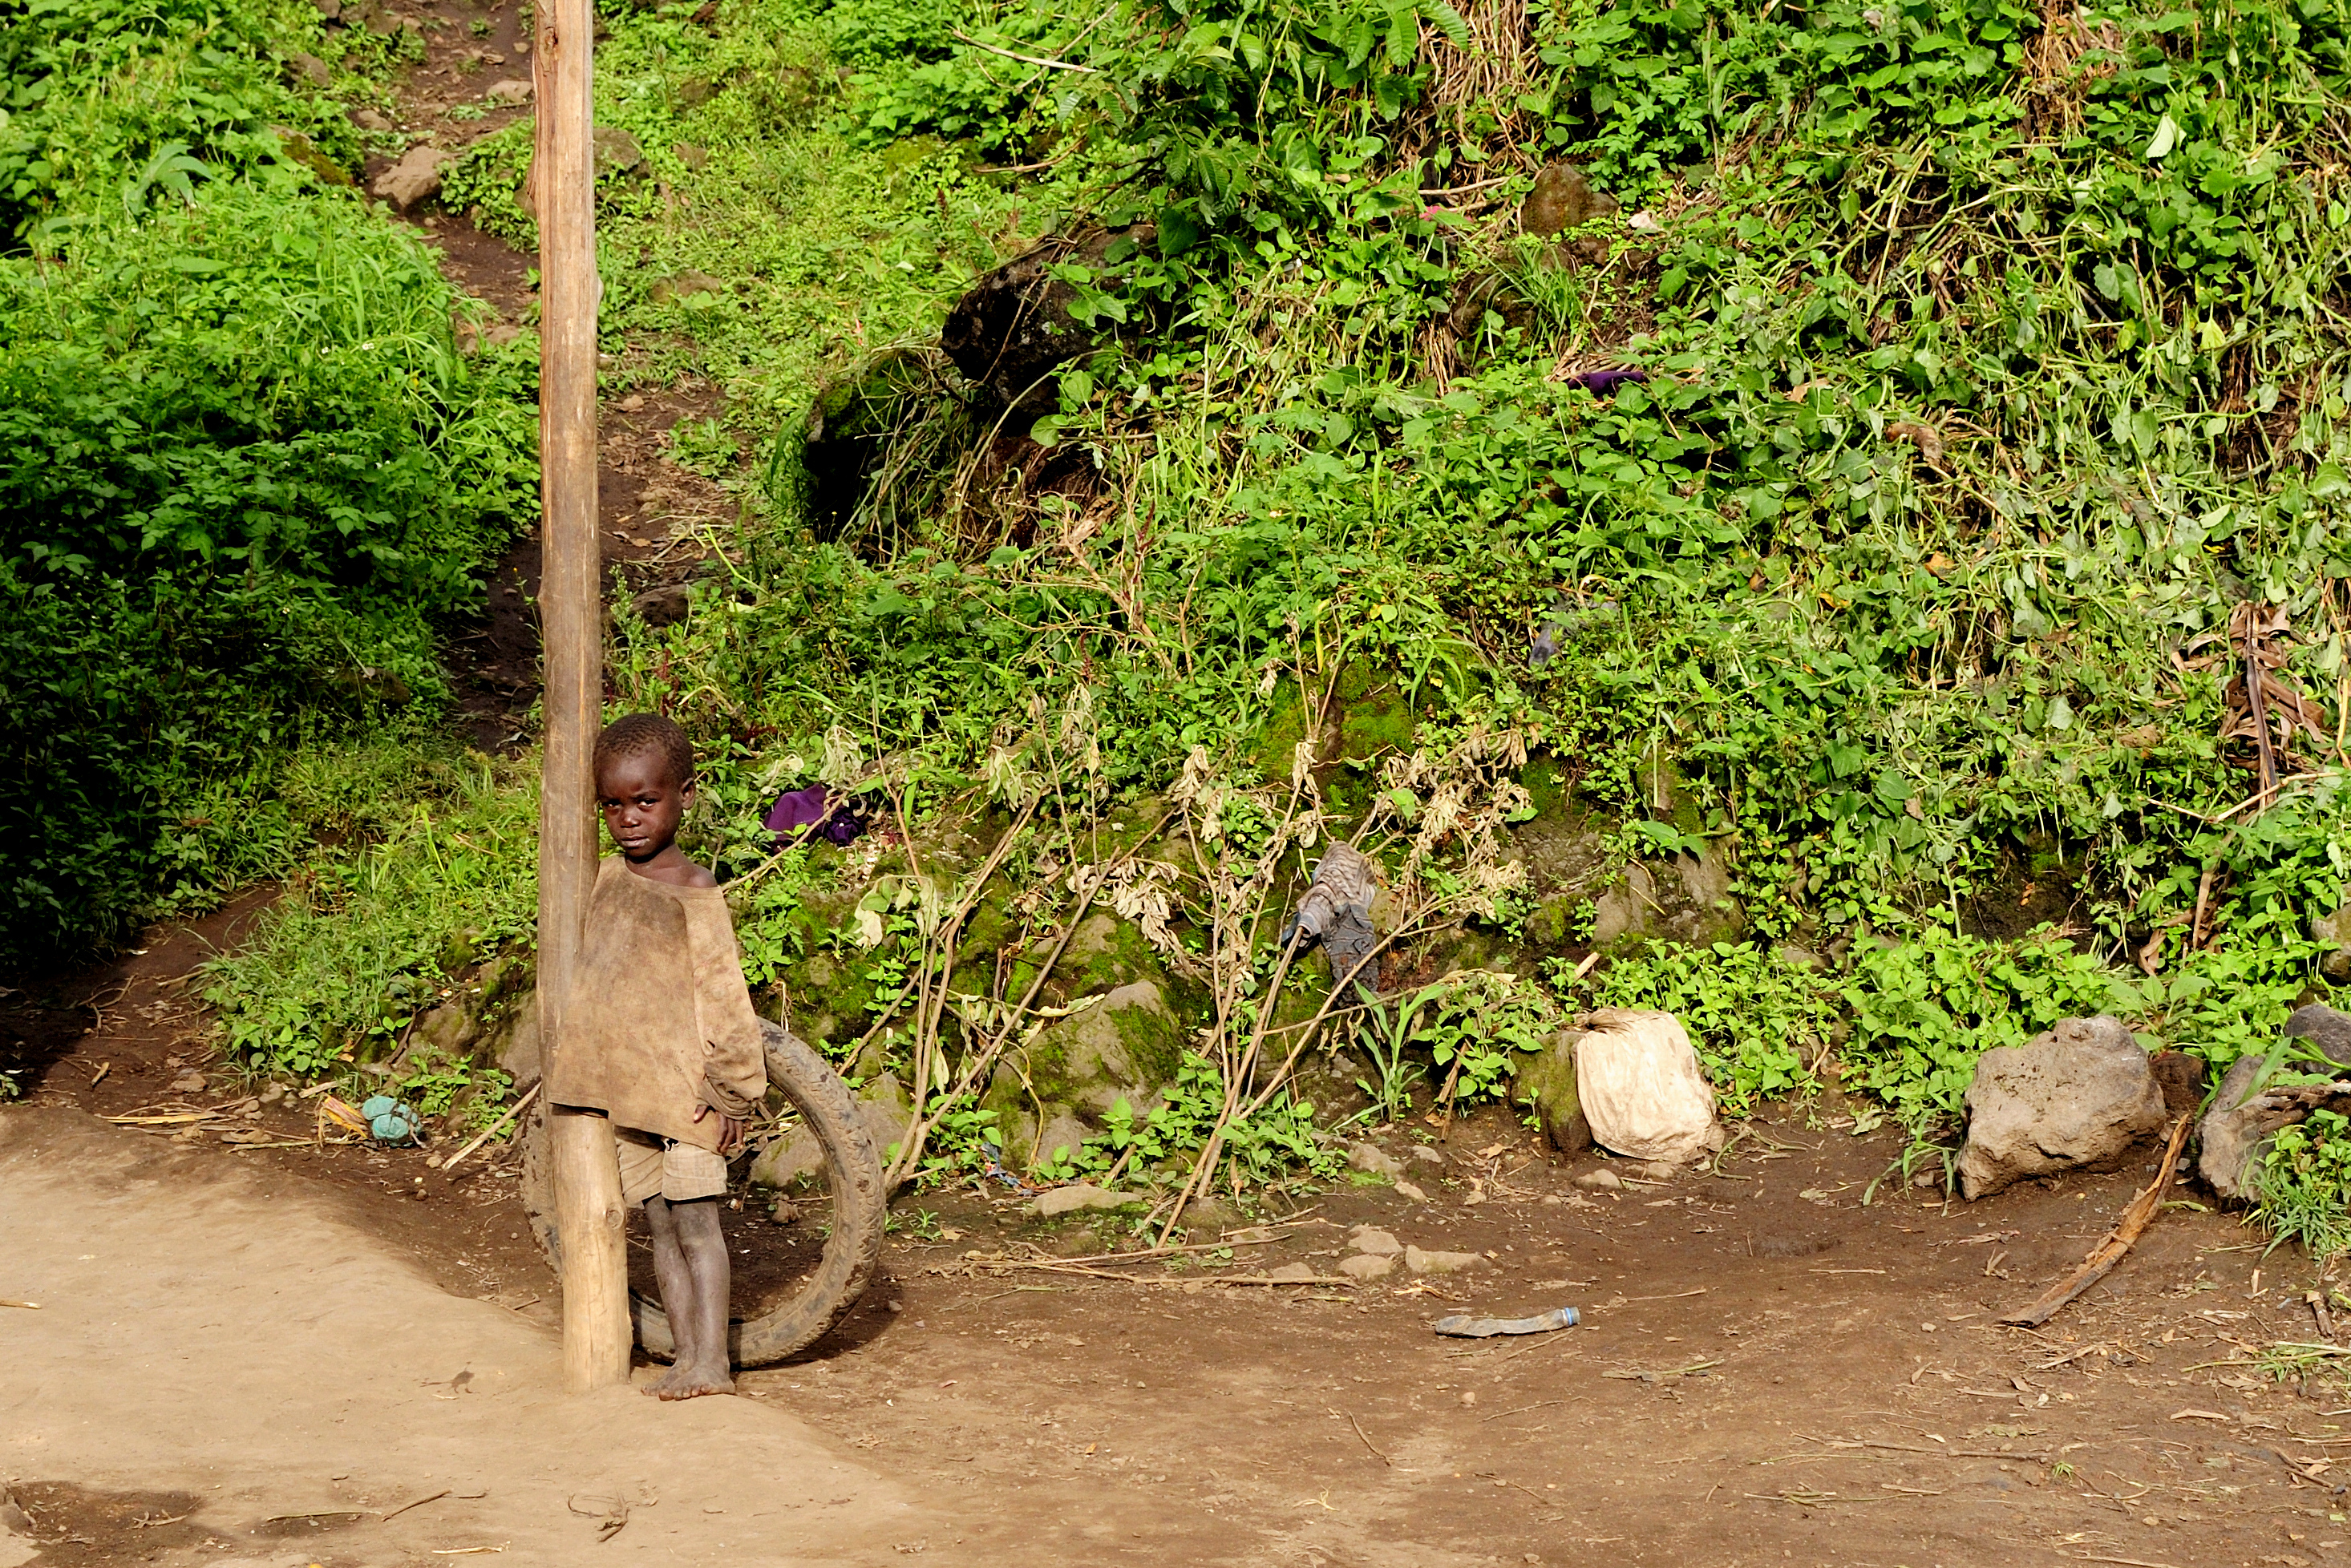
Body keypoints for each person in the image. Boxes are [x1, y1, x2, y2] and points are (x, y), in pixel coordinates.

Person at [549, 712, 766, 1399]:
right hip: (633, 1093)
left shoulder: (696, 891)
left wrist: (735, 1091)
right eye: (612, 805)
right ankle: (687, 1355)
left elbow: (726, 1000)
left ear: (685, 797)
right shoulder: (609, 878)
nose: (629, 818)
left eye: (646, 800)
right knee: (660, 1227)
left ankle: (714, 1365)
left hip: (691, 1094)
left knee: (699, 1224)